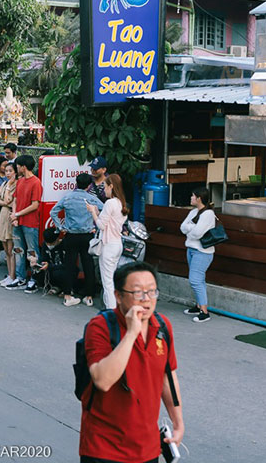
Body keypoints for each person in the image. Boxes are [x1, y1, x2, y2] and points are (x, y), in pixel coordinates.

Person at [80, 261, 184, 463]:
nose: (146, 299)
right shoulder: (100, 327)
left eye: (152, 292)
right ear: (118, 296)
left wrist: (178, 422)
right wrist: (131, 333)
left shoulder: (162, 327)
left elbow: (167, 376)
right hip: (103, 449)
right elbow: (102, 380)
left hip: (148, 448)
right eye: (137, 293)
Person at [51, 173, 106, 307]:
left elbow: (53, 212)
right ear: (89, 185)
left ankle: (68, 295)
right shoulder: (91, 198)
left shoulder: (68, 197)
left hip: (71, 235)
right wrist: (96, 223)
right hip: (87, 235)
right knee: (88, 265)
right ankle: (89, 296)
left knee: (69, 265)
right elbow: (104, 208)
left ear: (76, 183)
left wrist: (61, 227)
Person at [87, 174, 129, 310]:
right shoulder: (121, 203)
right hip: (117, 244)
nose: (104, 190)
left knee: (108, 282)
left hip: (108, 245)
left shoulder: (110, 203)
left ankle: (112, 311)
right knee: (111, 280)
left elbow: (100, 225)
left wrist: (93, 212)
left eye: (105, 187)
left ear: (111, 186)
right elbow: (109, 222)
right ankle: (113, 308)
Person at [179, 187, 216, 323]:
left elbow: (197, 233)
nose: (191, 198)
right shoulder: (193, 212)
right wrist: (191, 229)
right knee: (199, 280)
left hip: (202, 251)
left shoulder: (208, 214)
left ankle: (204, 312)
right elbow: (182, 227)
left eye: (193, 196)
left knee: (195, 280)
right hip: (191, 249)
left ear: (199, 198)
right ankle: (199, 305)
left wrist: (190, 229)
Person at [8, 154, 42, 291]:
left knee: (32, 251)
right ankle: (20, 277)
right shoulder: (20, 181)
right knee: (19, 250)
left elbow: (35, 205)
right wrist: (15, 216)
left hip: (30, 223)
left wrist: (16, 214)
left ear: (24, 167)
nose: (16, 168)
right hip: (18, 221)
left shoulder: (36, 182)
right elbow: (15, 199)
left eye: (18, 166)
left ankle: (34, 279)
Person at [0, 161, 19, 288]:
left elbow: (10, 200)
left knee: (11, 249)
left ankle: (13, 275)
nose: (8, 173)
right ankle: (9, 275)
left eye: (10, 171)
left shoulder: (15, 185)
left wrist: (8, 189)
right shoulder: (4, 183)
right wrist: (4, 203)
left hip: (11, 215)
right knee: (5, 248)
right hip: (3, 215)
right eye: (7, 171)